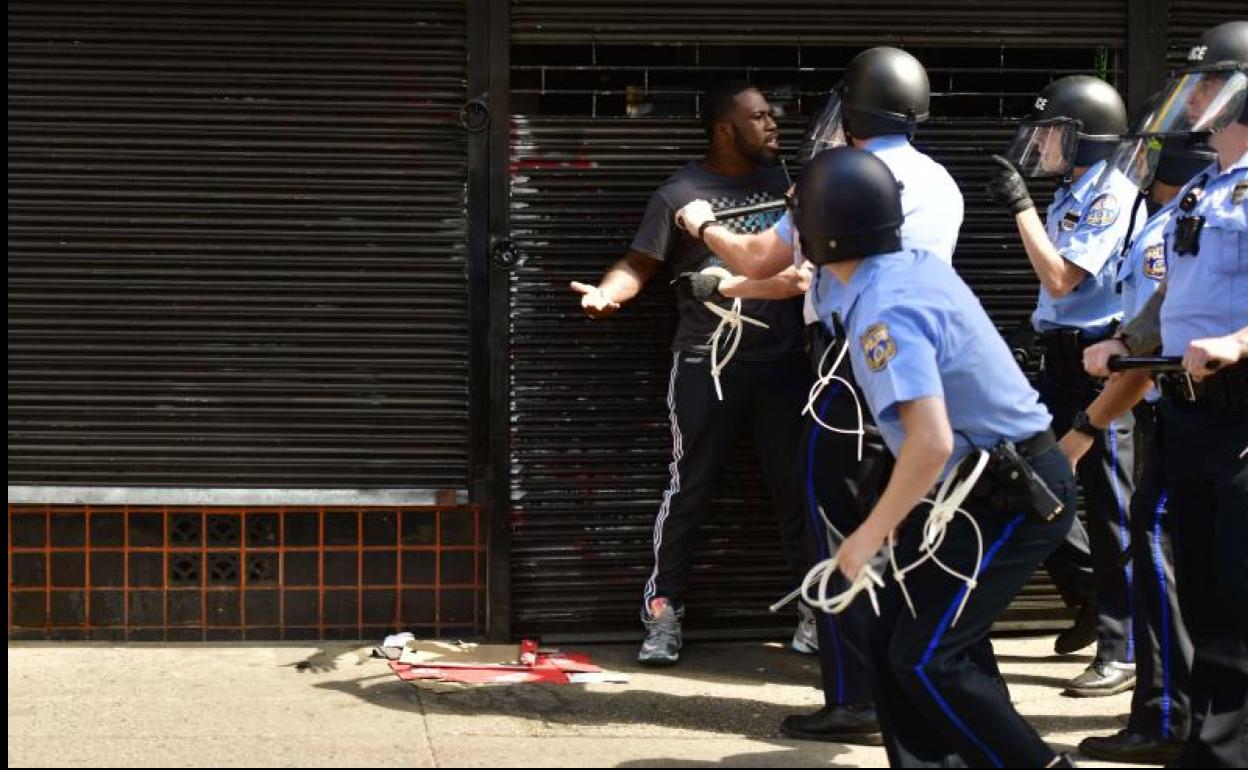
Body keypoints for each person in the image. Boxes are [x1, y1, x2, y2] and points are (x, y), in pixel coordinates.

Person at [672, 46, 962, 745]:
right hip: (914, 374)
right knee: (906, 534)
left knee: (833, 533)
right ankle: (907, 690)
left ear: (857, 110)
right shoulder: (940, 181)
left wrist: (702, 223)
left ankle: (854, 698)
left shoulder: (835, 175)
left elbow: (762, 258)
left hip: (844, 375)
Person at [795, 145, 1078, 767]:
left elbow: (931, 441)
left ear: (824, 229)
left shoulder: (886, 307)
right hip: (964, 488)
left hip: (1010, 492)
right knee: (888, 631)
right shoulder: (890, 268)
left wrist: (868, 534)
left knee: (927, 657)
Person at [571, 80, 813, 666]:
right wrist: (609, 294)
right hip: (705, 361)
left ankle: (817, 612)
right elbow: (639, 262)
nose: (773, 125)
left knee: (799, 491)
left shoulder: (790, 187)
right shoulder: (679, 193)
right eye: (758, 118)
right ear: (724, 128)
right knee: (690, 487)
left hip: (783, 364)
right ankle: (663, 611)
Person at [1080, 21, 1248, 767]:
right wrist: (1129, 343)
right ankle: (1215, 746)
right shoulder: (1206, 188)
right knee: (1207, 591)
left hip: (1242, 404)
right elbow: (1175, 293)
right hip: (1189, 409)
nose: (1198, 96)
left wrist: (1241, 342)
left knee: (1240, 590)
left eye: (1212, 82)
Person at [987, 74, 1143, 695]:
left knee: (1111, 507)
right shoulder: (1074, 188)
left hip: (1097, 366)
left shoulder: (1110, 194)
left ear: (1085, 138)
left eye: (1054, 133)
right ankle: (1086, 592)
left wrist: (1020, 206)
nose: (1043, 145)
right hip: (1055, 362)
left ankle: (1124, 646)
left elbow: (1060, 279)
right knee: (1025, 481)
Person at [1065, 130, 1216, 764]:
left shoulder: (1173, 228)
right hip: (1180, 417)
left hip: (1180, 417)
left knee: (1155, 561)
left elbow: (1149, 352)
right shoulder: (1178, 220)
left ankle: (1165, 719)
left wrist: (1089, 425)